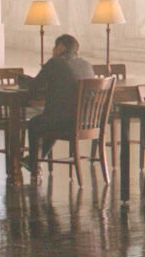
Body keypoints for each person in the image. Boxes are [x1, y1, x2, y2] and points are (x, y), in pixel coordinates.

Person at [24, 33, 95, 167]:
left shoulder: (56, 62)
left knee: (35, 123)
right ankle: (34, 160)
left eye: (54, 47)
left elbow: (36, 85)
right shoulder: (87, 65)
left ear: (61, 46)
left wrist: (25, 81)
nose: (52, 50)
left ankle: (33, 162)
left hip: (67, 122)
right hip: (87, 122)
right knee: (51, 120)